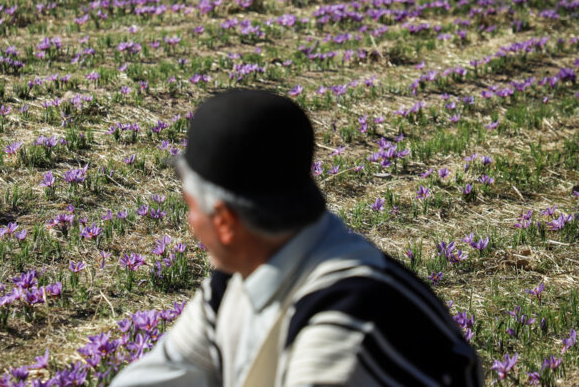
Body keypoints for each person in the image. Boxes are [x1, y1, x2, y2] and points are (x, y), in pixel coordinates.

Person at [110, 89, 483, 387]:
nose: (191, 224)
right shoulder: (239, 281)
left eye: (190, 207)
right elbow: (170, 369)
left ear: (224, 220)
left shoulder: (346, 324)